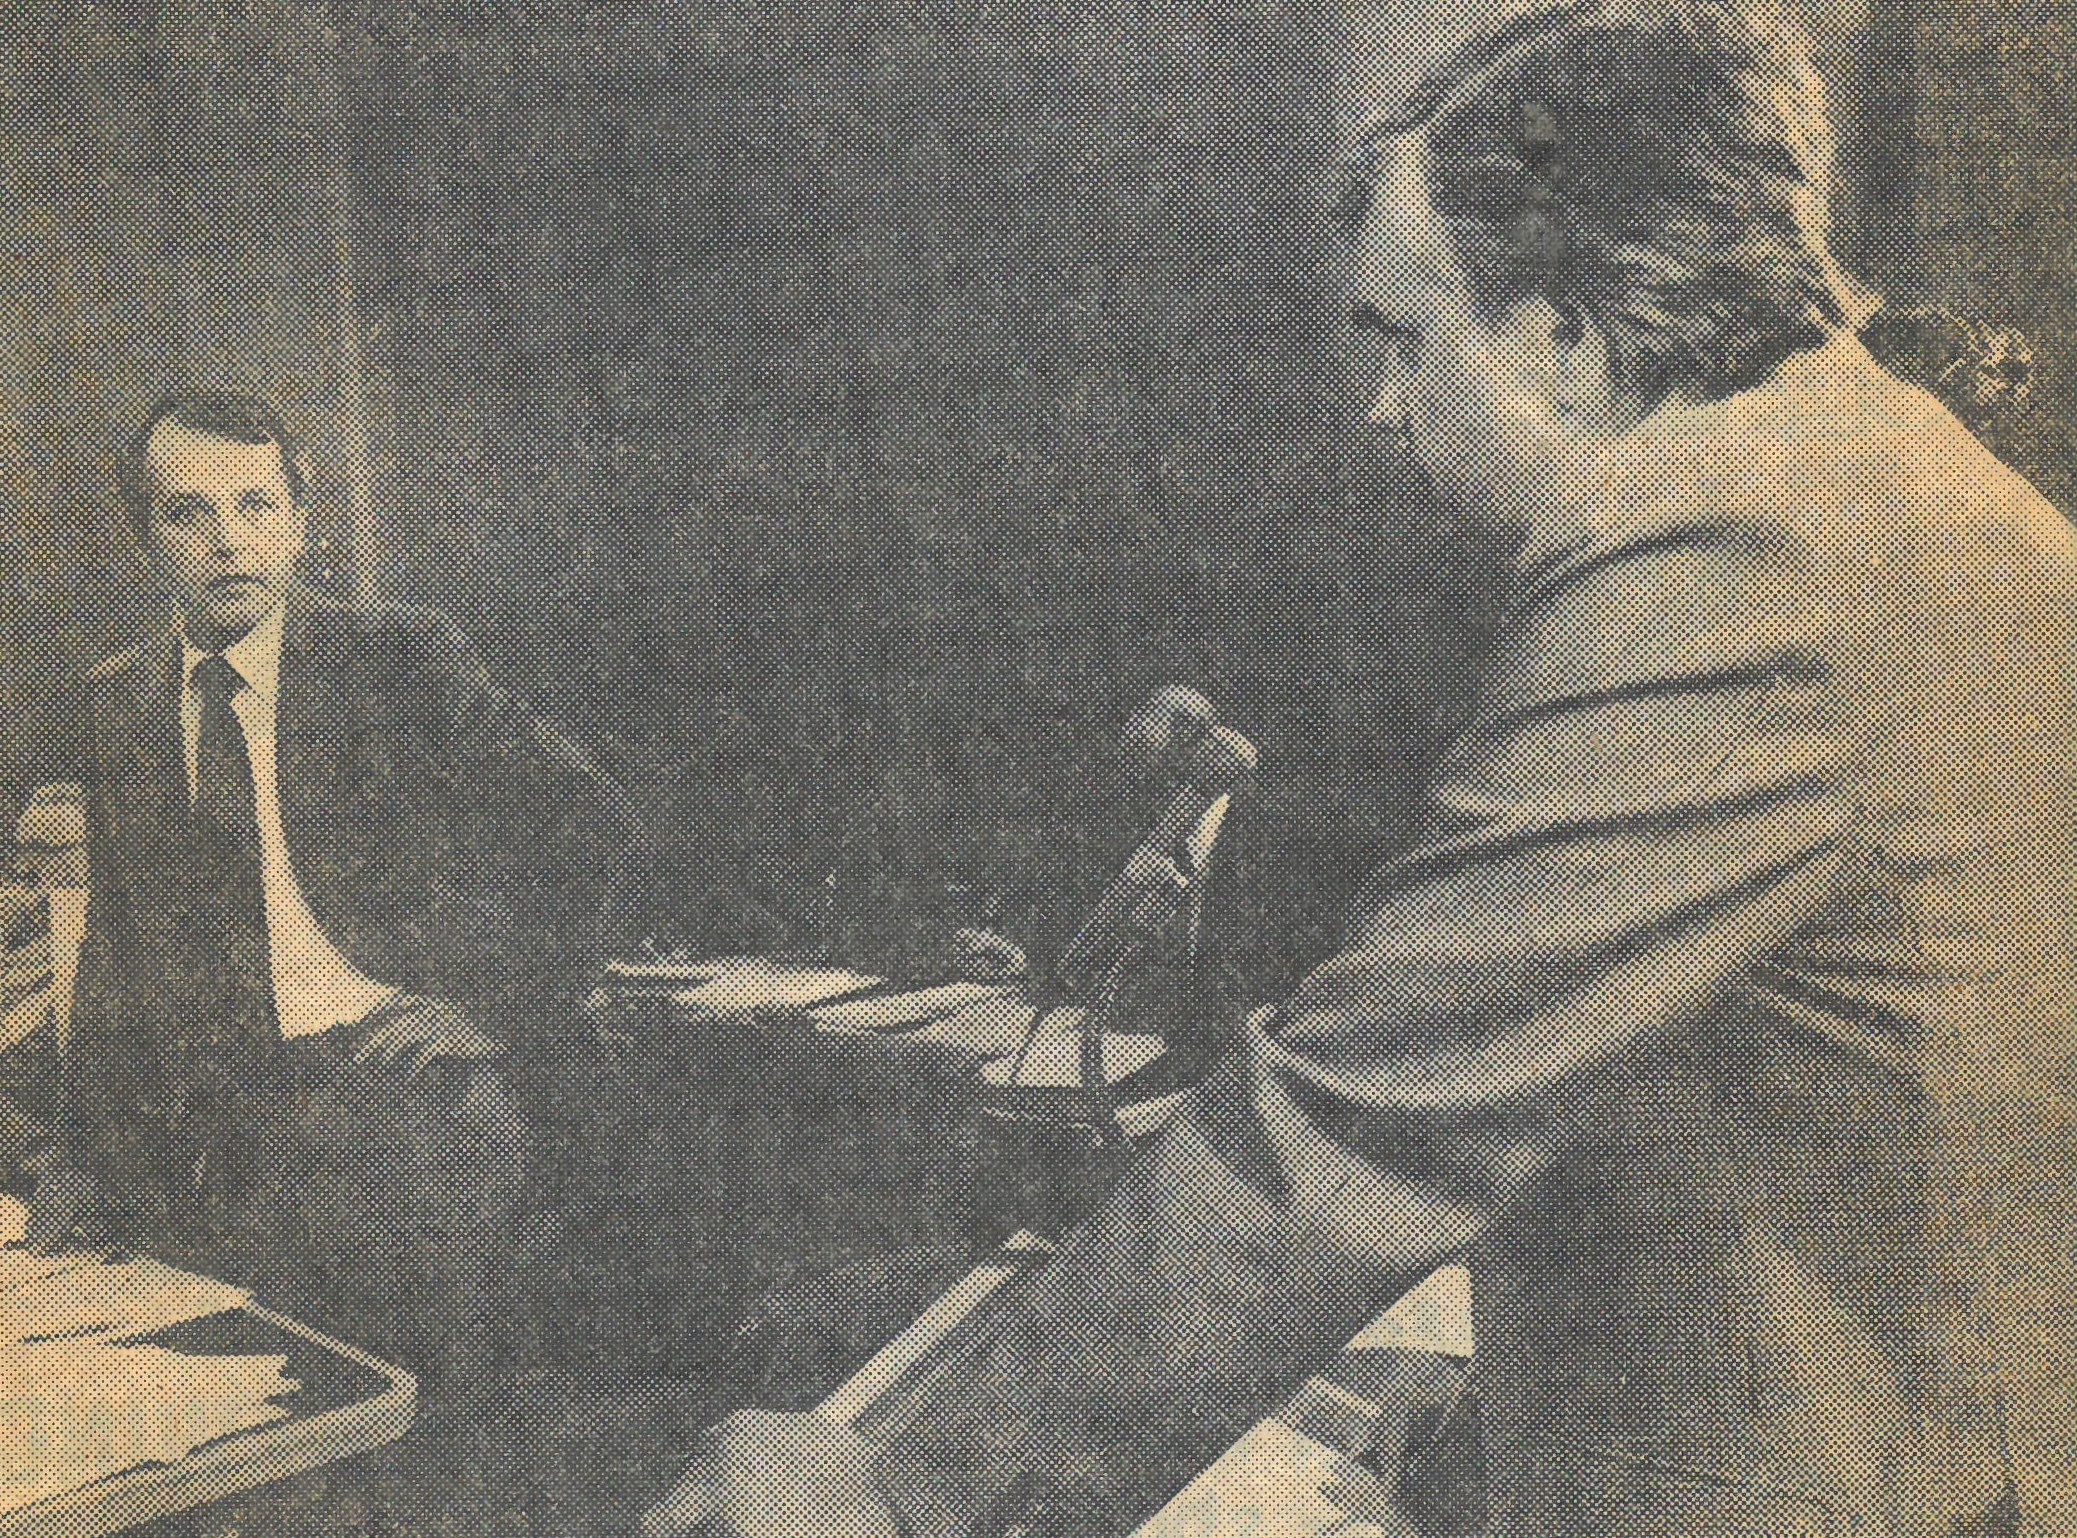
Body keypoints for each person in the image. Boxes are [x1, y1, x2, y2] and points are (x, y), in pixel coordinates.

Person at [647, 2, 2077, 1534]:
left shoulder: (1738, 556)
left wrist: (900, 1496)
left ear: (1563, 338)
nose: (1386, 412)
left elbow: (1369, 1108)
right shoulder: (1891, 479)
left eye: (1404, 337)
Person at [14, 389, 636, 1399]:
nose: (230, 541)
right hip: (215, 1138)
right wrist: (81, 1155)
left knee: (411, 1429)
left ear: (302, 524)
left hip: (397, 1114)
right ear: (147, 540)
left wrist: (500, 1006)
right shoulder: (117, 699)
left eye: (257, 506)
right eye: (189, 513)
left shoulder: (398, 660)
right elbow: (118, 948)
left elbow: (592, 821)